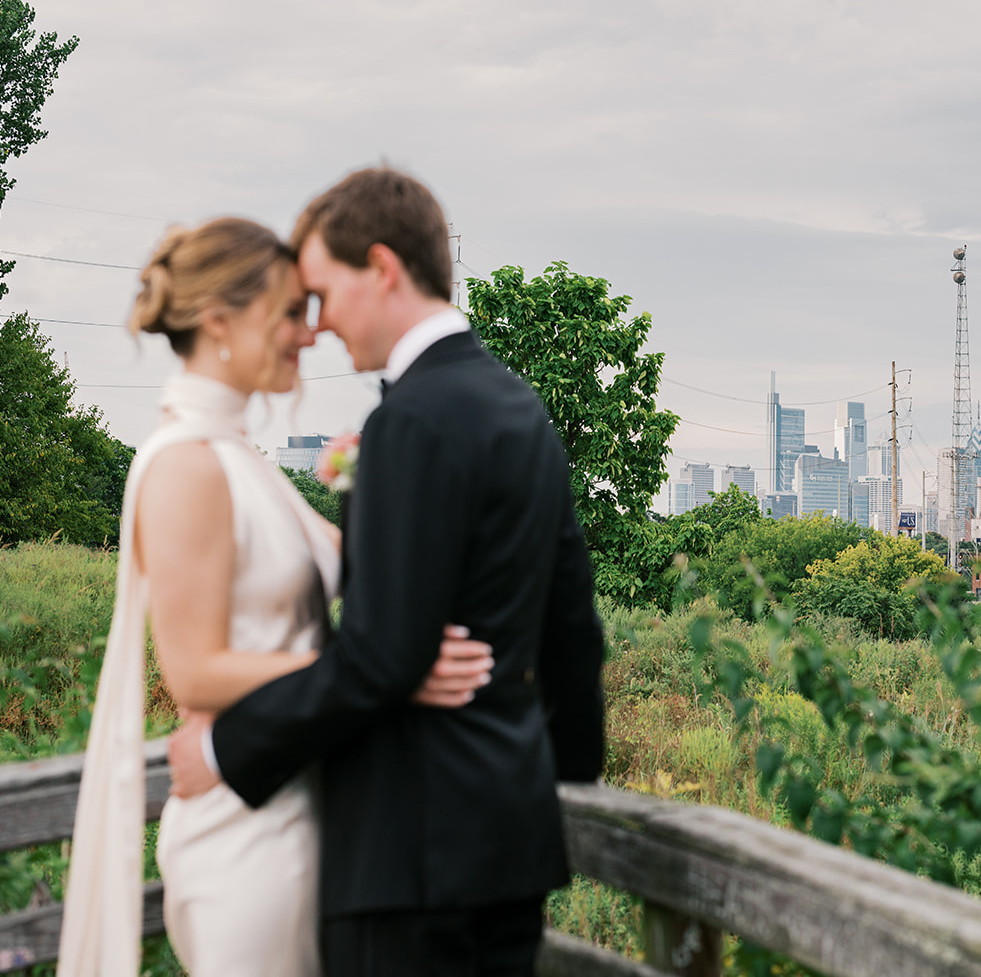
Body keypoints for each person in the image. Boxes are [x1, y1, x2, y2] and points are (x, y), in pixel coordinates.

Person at [166, 167, 607, 977]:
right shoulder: (520, 408)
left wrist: (230, 747)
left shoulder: (410, 420)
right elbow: (575, 630)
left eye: (326, 292)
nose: (321, 322)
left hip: (409, 860)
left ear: (382, 266)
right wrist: (560, 775)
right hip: (509, 851)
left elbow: (383, 658)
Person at [57, 218, 494, 977]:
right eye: (290, 312)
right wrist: (394, 672)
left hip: (300, 799)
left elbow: (366, 574)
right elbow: (193, 671)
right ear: (220, 320)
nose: (309, 332)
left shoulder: (240, 460)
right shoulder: (187, 466)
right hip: (245, 833)